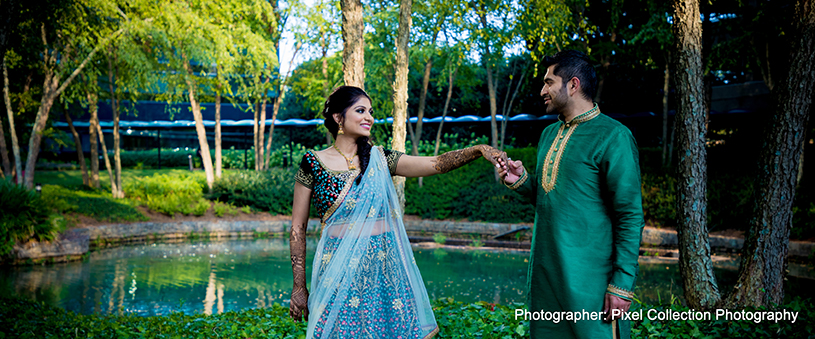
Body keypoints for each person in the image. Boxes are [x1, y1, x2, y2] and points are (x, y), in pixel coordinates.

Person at [289, 86, 507, 339]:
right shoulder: (313, 162)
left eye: (370, 111)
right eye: (360, 110)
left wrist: (477, 150)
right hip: (337, 269)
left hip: (384, 270)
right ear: (338, 117)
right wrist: (298, 287)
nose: (369, 117)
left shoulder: (380, 159)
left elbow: (435, 163)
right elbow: (297, 229)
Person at [497, 50, 645, 339]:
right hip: (547, 280)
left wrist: (622, 284)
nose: (542, 91)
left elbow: (629, 214)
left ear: (573, 85)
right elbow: (554, 199)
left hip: (592, 285)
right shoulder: (548, 135)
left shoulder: (614, 136)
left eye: (549, 82)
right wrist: (523, 181)